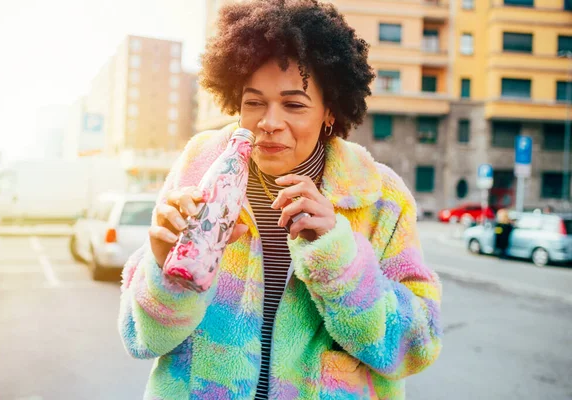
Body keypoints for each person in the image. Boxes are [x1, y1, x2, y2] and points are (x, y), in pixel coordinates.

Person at [118, 1, 442, 398]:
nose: (269, 123)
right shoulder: (200, 168)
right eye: (253, 102)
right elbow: (141, 339)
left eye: (293, 104)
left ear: (329, 112)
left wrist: (340, 259)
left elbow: (418, 346)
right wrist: (164, 270)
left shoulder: (379, 197)